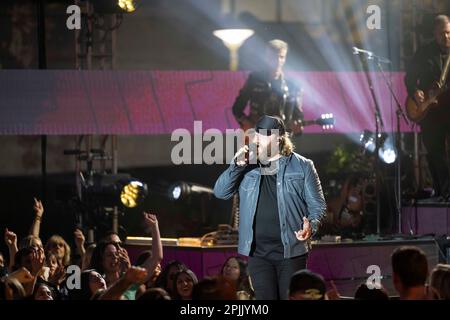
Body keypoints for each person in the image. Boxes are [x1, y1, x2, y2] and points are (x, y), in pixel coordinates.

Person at [214, 115, 326, 300]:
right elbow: (220, 192)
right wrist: (236, 165)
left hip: (291, 252)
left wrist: (311, 226)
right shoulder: (247, 165)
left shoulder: (303, 166)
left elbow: (318, 206)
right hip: (258, 253)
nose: (257, 139)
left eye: (264, 135)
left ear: (278, 138)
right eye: (256, 134)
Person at [405, 14, 450, 200]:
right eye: (442, 34)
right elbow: (408, 78)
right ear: (434, 33)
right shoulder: (424, 52)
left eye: (448, 33)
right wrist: (415, 91)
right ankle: (442, 191)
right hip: (430, 113)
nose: (446, 37)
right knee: (433, 152)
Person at [232, 39, 304, 134]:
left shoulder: (292, 86)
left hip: (280, 140)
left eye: (281, 57)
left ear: (285, 58)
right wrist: (246, 123)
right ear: (267, 57)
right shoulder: (255, 79)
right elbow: (237, 108)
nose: (278, 61)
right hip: (256, 136)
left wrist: (297, 127)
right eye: (274, 57)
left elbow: (297, 119)